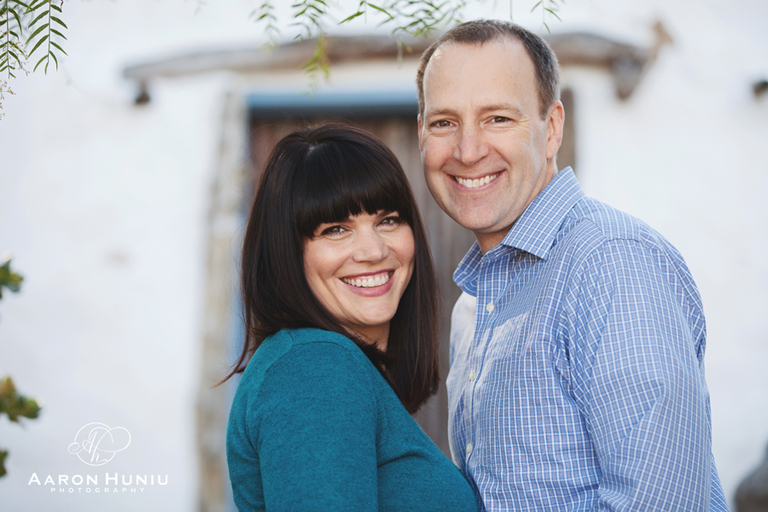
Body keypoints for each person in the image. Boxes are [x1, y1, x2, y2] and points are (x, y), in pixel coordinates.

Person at [416, 20, 728, 511]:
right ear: (422, 134)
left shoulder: (612, 265)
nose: (468, 149)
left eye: (498, 118)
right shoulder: (475, 306)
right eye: (444, 122)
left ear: (552, 128)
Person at [224, 124, 477, 512]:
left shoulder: (334, 369)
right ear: (287, 254)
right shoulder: (313, 367)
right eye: (336, 229)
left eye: (388, 219)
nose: (373, 250)